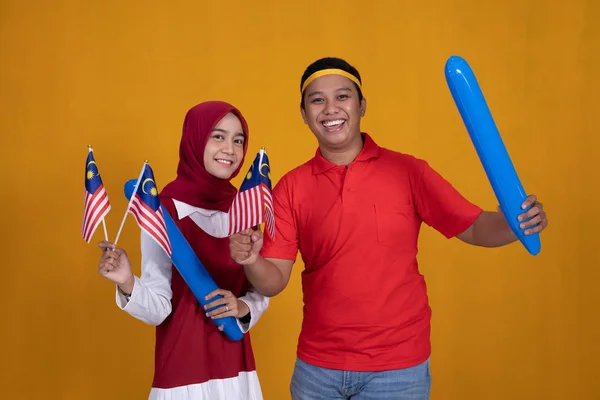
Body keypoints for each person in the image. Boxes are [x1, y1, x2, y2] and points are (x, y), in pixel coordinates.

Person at [229, 57, 549, 400]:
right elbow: (274, 279)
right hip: (319, 368)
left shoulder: (409, 172)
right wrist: (251, 260)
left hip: (398, 368)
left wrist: (515, 224)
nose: (330, 108)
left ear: (362, 105)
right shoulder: (291, 187)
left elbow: (473, 227)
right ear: (304, 114)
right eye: (317, 100)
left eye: (343, 96)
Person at [97, 101, 269, 400]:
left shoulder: (246, 208)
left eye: (238, 140)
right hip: (183, 373)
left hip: (237, 369)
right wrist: (127, 281)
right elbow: (159, 309)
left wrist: (243, 308)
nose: (230, 148)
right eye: (218, 136)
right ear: (194, 139)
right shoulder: (162, 210)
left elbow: (262, 287)